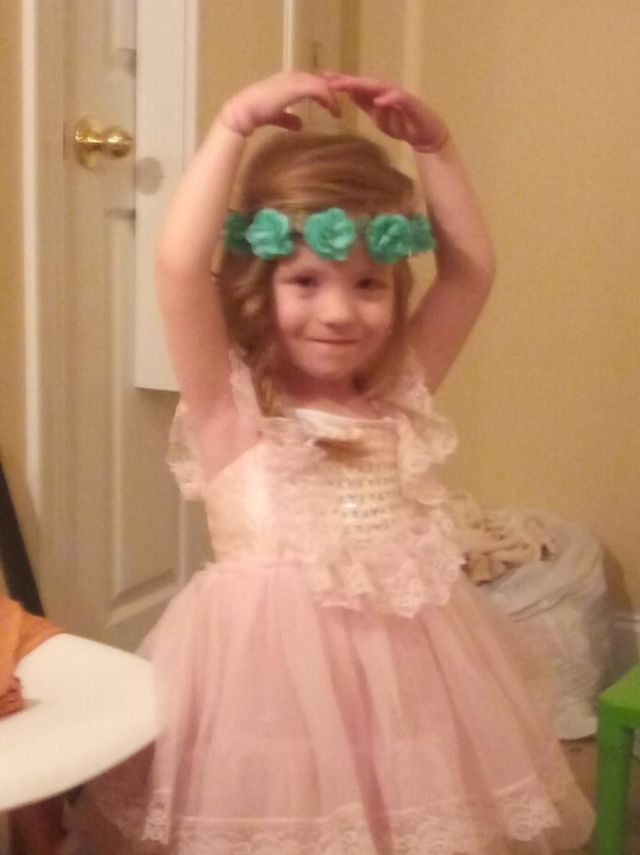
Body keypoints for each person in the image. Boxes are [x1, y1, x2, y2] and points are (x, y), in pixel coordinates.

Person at [63, 72, 594, 855]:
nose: (340, 312)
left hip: (411, 680)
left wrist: (437, 148)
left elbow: (471, 271)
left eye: (368, 284)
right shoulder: (232, 408)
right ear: (259, 279)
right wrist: (231, 125)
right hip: (266, 692)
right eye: (306, 281)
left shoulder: (397, 392)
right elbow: (178, 265)